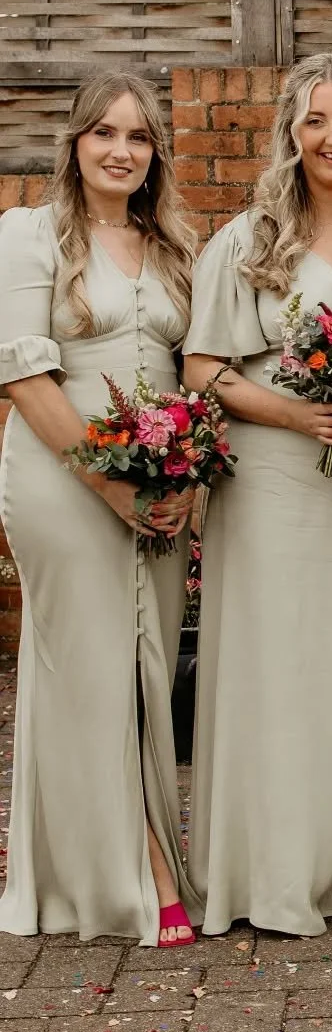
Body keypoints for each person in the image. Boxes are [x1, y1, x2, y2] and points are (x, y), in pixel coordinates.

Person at [183, 53, 332, 934]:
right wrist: (292, 415)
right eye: (317, 120)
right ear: (291, 133)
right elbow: (205, 369)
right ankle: (277, 866)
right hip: (282, 482)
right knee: (285, 664)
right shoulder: (246, 241)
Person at [0, 71, 198, 946]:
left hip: (157, 491)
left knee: (144, 671)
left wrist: (186, 477)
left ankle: (90, 867)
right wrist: (107, 485)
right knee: (88, 671)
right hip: (61, 479)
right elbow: (24, 380)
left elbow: (197, 375)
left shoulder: (175, 245)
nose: (121, 151)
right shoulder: (29, 235)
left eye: (139, 137)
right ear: (74, 143)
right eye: (104, 134)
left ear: (156, 153)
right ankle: (141, 872)